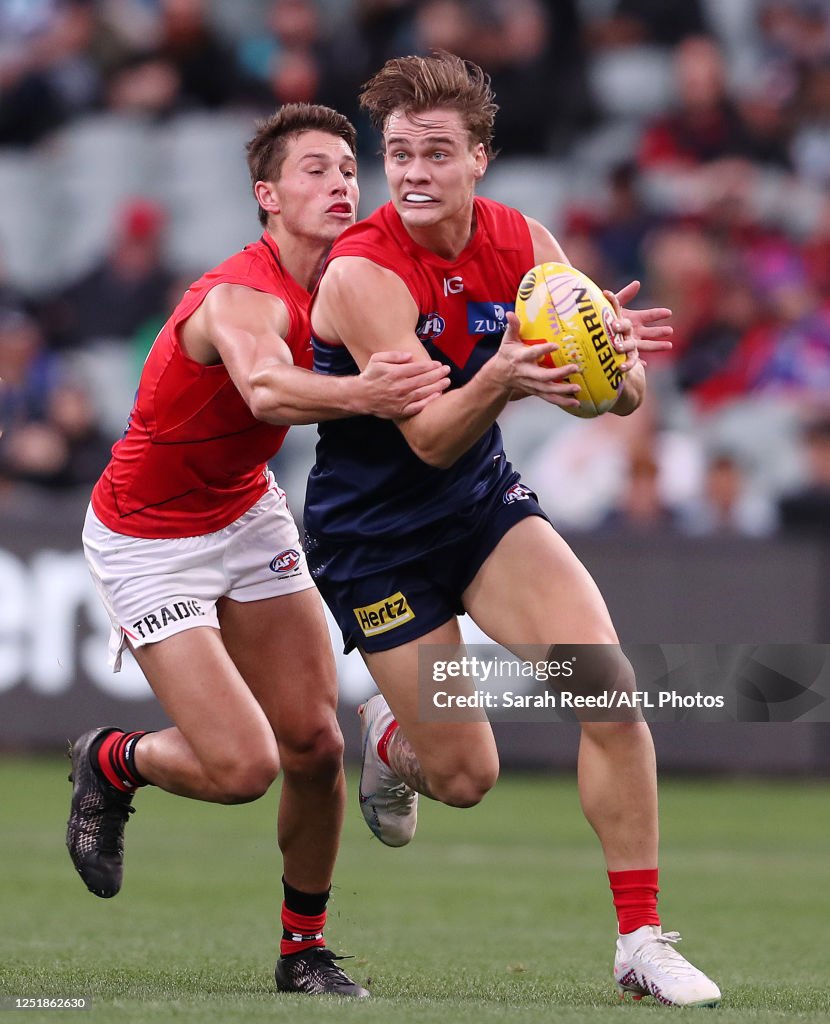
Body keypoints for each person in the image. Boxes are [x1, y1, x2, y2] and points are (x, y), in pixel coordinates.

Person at [303, 52, 721, 1007]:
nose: (412, 172)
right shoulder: (364, 272)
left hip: (481, 510)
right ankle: (393, 741)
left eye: (435, 153)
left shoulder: (524, 238)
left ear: (480, 158)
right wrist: (502, 371)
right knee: (464, 778)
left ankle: (641, 941)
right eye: (399, 153)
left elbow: (619, 402)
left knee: (609, 689)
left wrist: (610, 355)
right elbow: (433, 439)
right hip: (377, 538)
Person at [65, 101, 450, 1000]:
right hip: (148, 537)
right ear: (267, 197)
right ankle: (111, 760)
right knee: (244, 768)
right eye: (315, 170)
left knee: (315, 745)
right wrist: (371, 391)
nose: (342, 184)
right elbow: (270, 390)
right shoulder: (240, 293)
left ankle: (303, 951)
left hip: (245, 515)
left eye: (350, 169)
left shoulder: (357, 279)